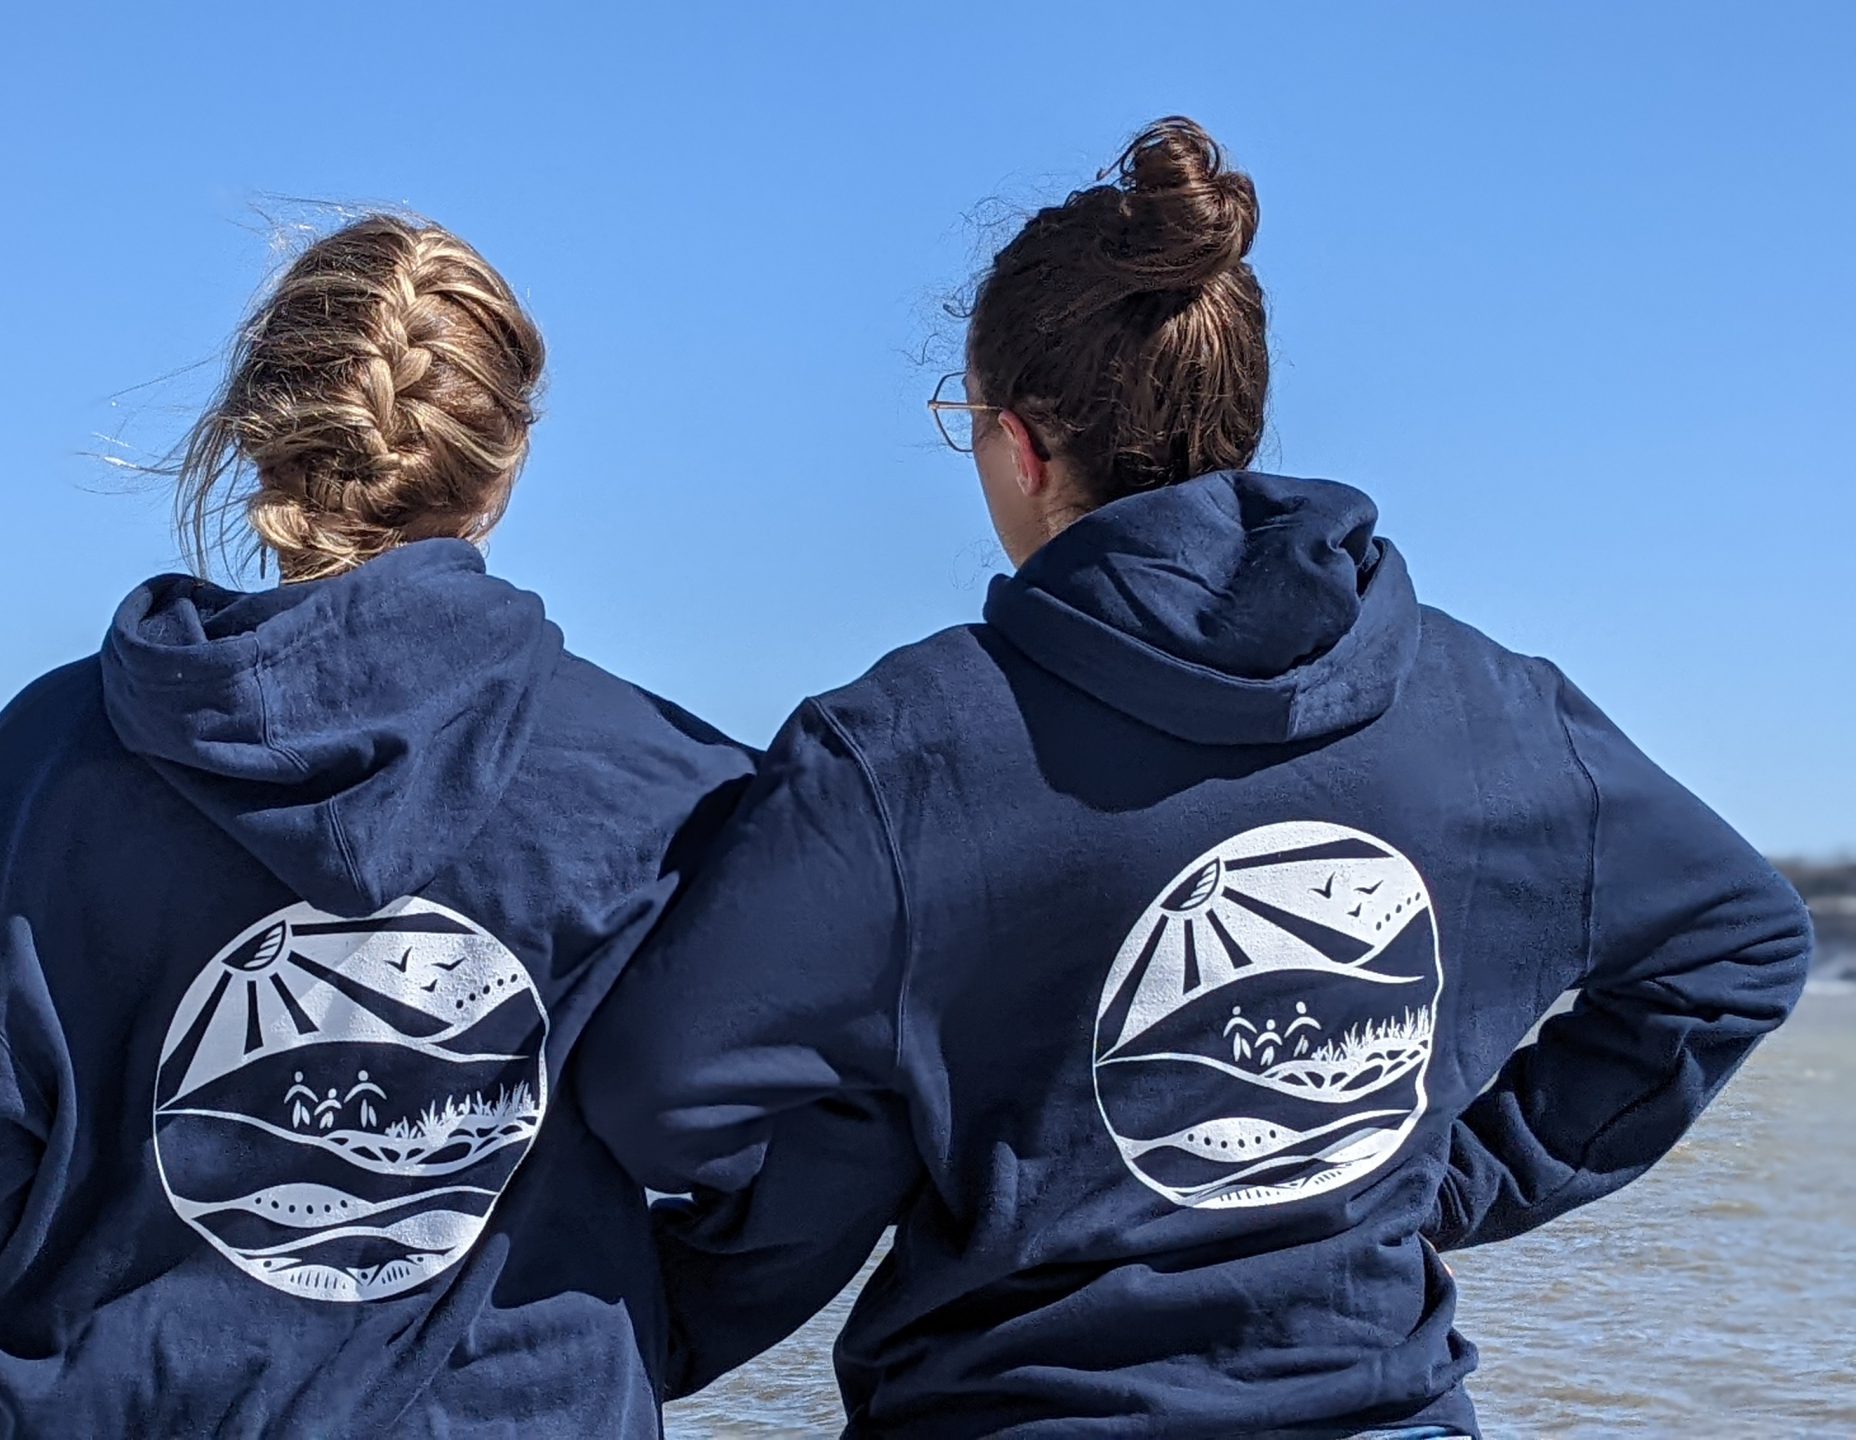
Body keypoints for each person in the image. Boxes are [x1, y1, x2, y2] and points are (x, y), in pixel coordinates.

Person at [578, 119, 1812, 1438]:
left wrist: (883, 1122)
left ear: (1024, 447)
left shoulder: (902, 750)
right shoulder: (1492, 709)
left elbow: (658, 1096)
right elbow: (1736, 947)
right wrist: (1430, 1171)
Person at [0, 214, 751, 1437]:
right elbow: (803, 1132)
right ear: (507, 453)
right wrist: (623, 1332)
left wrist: (81, 1364)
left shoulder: (40, 769)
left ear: (256, 437)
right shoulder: (669, 788)